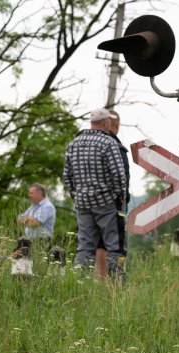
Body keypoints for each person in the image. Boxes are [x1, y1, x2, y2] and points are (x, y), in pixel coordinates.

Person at [63, 108, 127, 279]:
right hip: (106, 201)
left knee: (84, 246)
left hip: (82, 203)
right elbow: (119, 174)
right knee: (114, 245)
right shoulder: (108, 143)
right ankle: (116, 283)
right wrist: (119, 196)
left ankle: (79, 283)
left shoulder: (73, 143)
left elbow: (67, 176)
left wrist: (76, 195)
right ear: (106, 122)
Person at [95, 109, 130, 278]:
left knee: (98, 243)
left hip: (89, 202)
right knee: (116, 244)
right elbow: (122, 177)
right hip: (113, 204)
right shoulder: (117, 147)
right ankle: (113, 283)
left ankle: (98, 282)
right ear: (116, 126)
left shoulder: (89, 145)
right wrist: (122, 199)